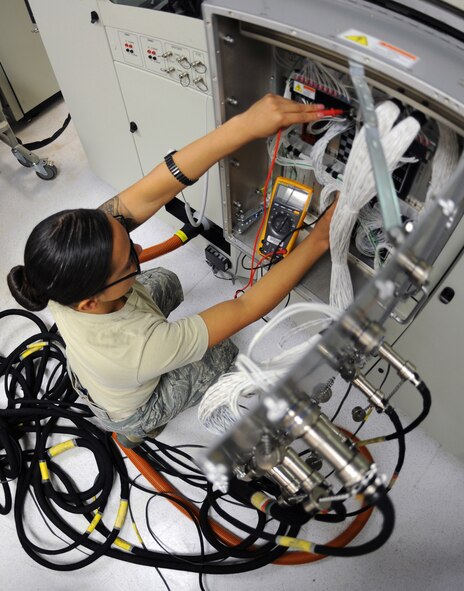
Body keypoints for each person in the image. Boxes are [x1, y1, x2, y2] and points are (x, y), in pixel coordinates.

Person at [7, 94, 335, 448]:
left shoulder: (54, 273)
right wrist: (318, 240)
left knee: (165, 280)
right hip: (130, 405)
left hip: (105, 367)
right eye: (129, 260)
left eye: (127, 238)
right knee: (221, 350)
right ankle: (139, 430)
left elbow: (149, 194)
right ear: (89, 301)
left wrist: (242, 127)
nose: (139, 249)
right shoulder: (143, 348)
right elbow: (246, 308)